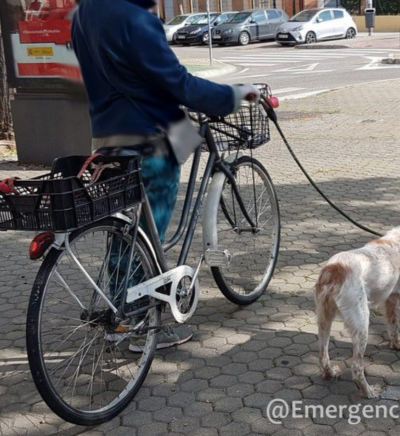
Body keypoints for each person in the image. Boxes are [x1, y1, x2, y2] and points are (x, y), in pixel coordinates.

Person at [71, 0, 259, 350]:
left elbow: (132, 73)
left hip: (108, 140)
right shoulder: (136, 18)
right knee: (146, 233)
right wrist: (234, 95)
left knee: (125, 233)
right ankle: (139, 324)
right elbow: (179, 84)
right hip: (150, 140)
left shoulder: (84, 13)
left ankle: (121, 311)